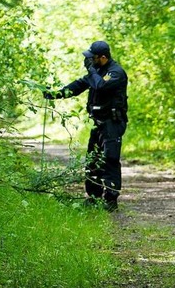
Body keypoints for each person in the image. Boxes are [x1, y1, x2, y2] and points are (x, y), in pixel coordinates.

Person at [44, 41, 128, 211]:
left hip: (112, 123)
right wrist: (54, 94)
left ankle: (111, 200)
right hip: (97, 123)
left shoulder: (115, 72)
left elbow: (101, 86)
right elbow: (77, 86)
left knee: (110, 159)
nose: (89, 61)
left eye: (92, 58)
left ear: (103, 57)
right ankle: (94, 197)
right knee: (93, 160)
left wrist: (91, 71)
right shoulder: (96, 72)